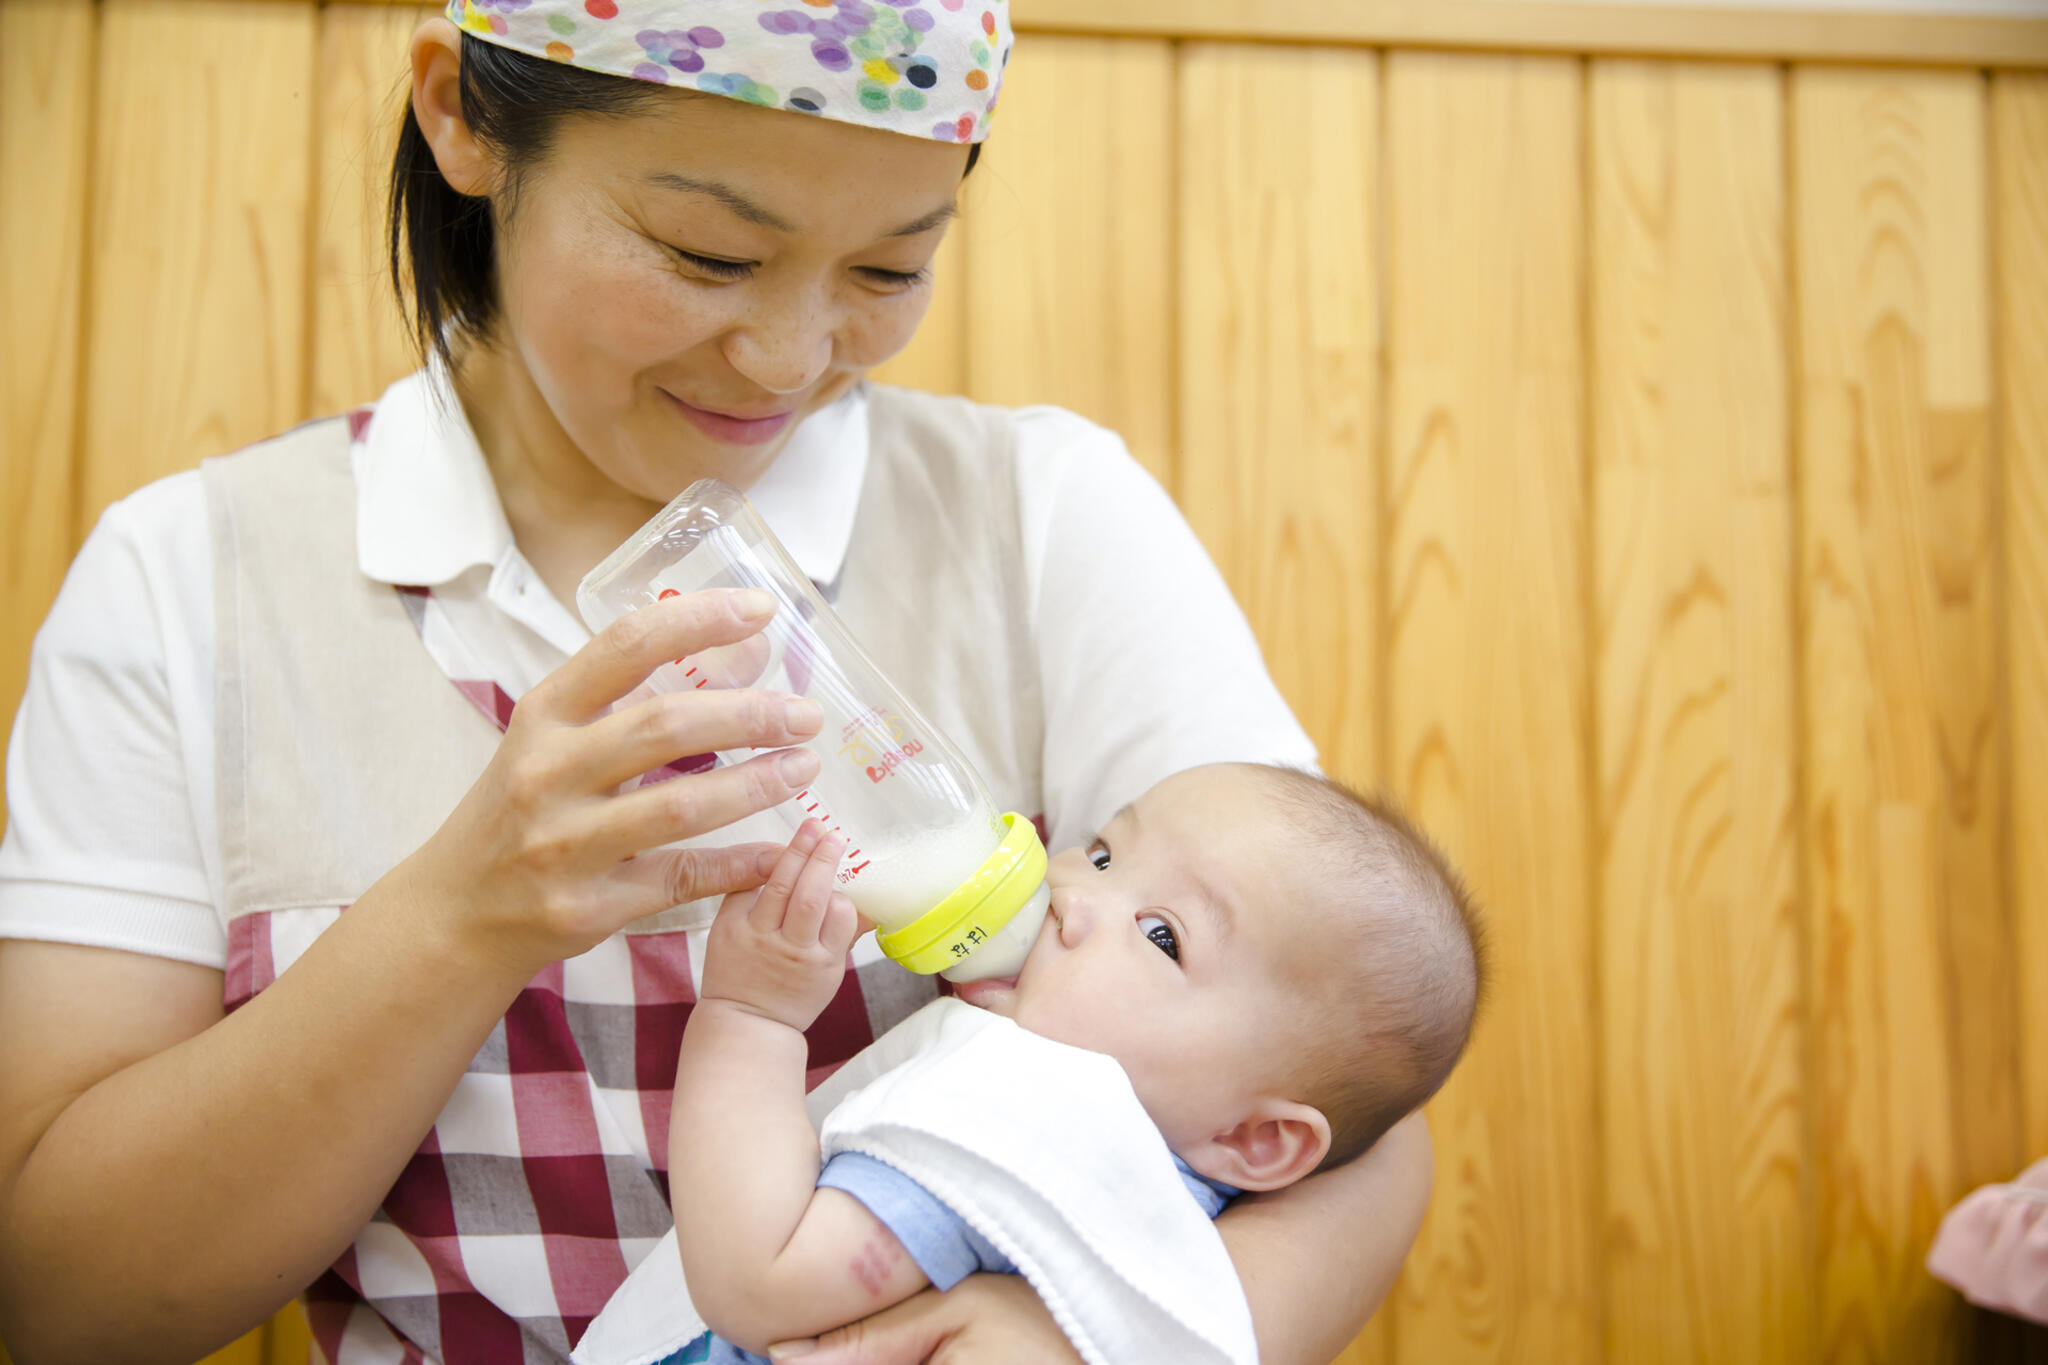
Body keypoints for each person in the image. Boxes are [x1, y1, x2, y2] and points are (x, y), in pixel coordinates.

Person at [0, 3, 1435, 1361]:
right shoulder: (195, 580)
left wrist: (1087, 1337)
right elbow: (61, 1298)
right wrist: (459, 920)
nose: (788, 357)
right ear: (461, 118)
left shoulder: (1041, 518)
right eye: (706, 254)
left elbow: (1339, 1108)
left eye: (888, 269)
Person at [668, 763, 1487, 1362]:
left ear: (1256, 1137)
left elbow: (759, 1282)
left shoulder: (1032, 1128)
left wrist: (752, 1016)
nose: (1068, 890)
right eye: (1100, 853)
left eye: (1162, 933)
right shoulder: (1164, 1199)